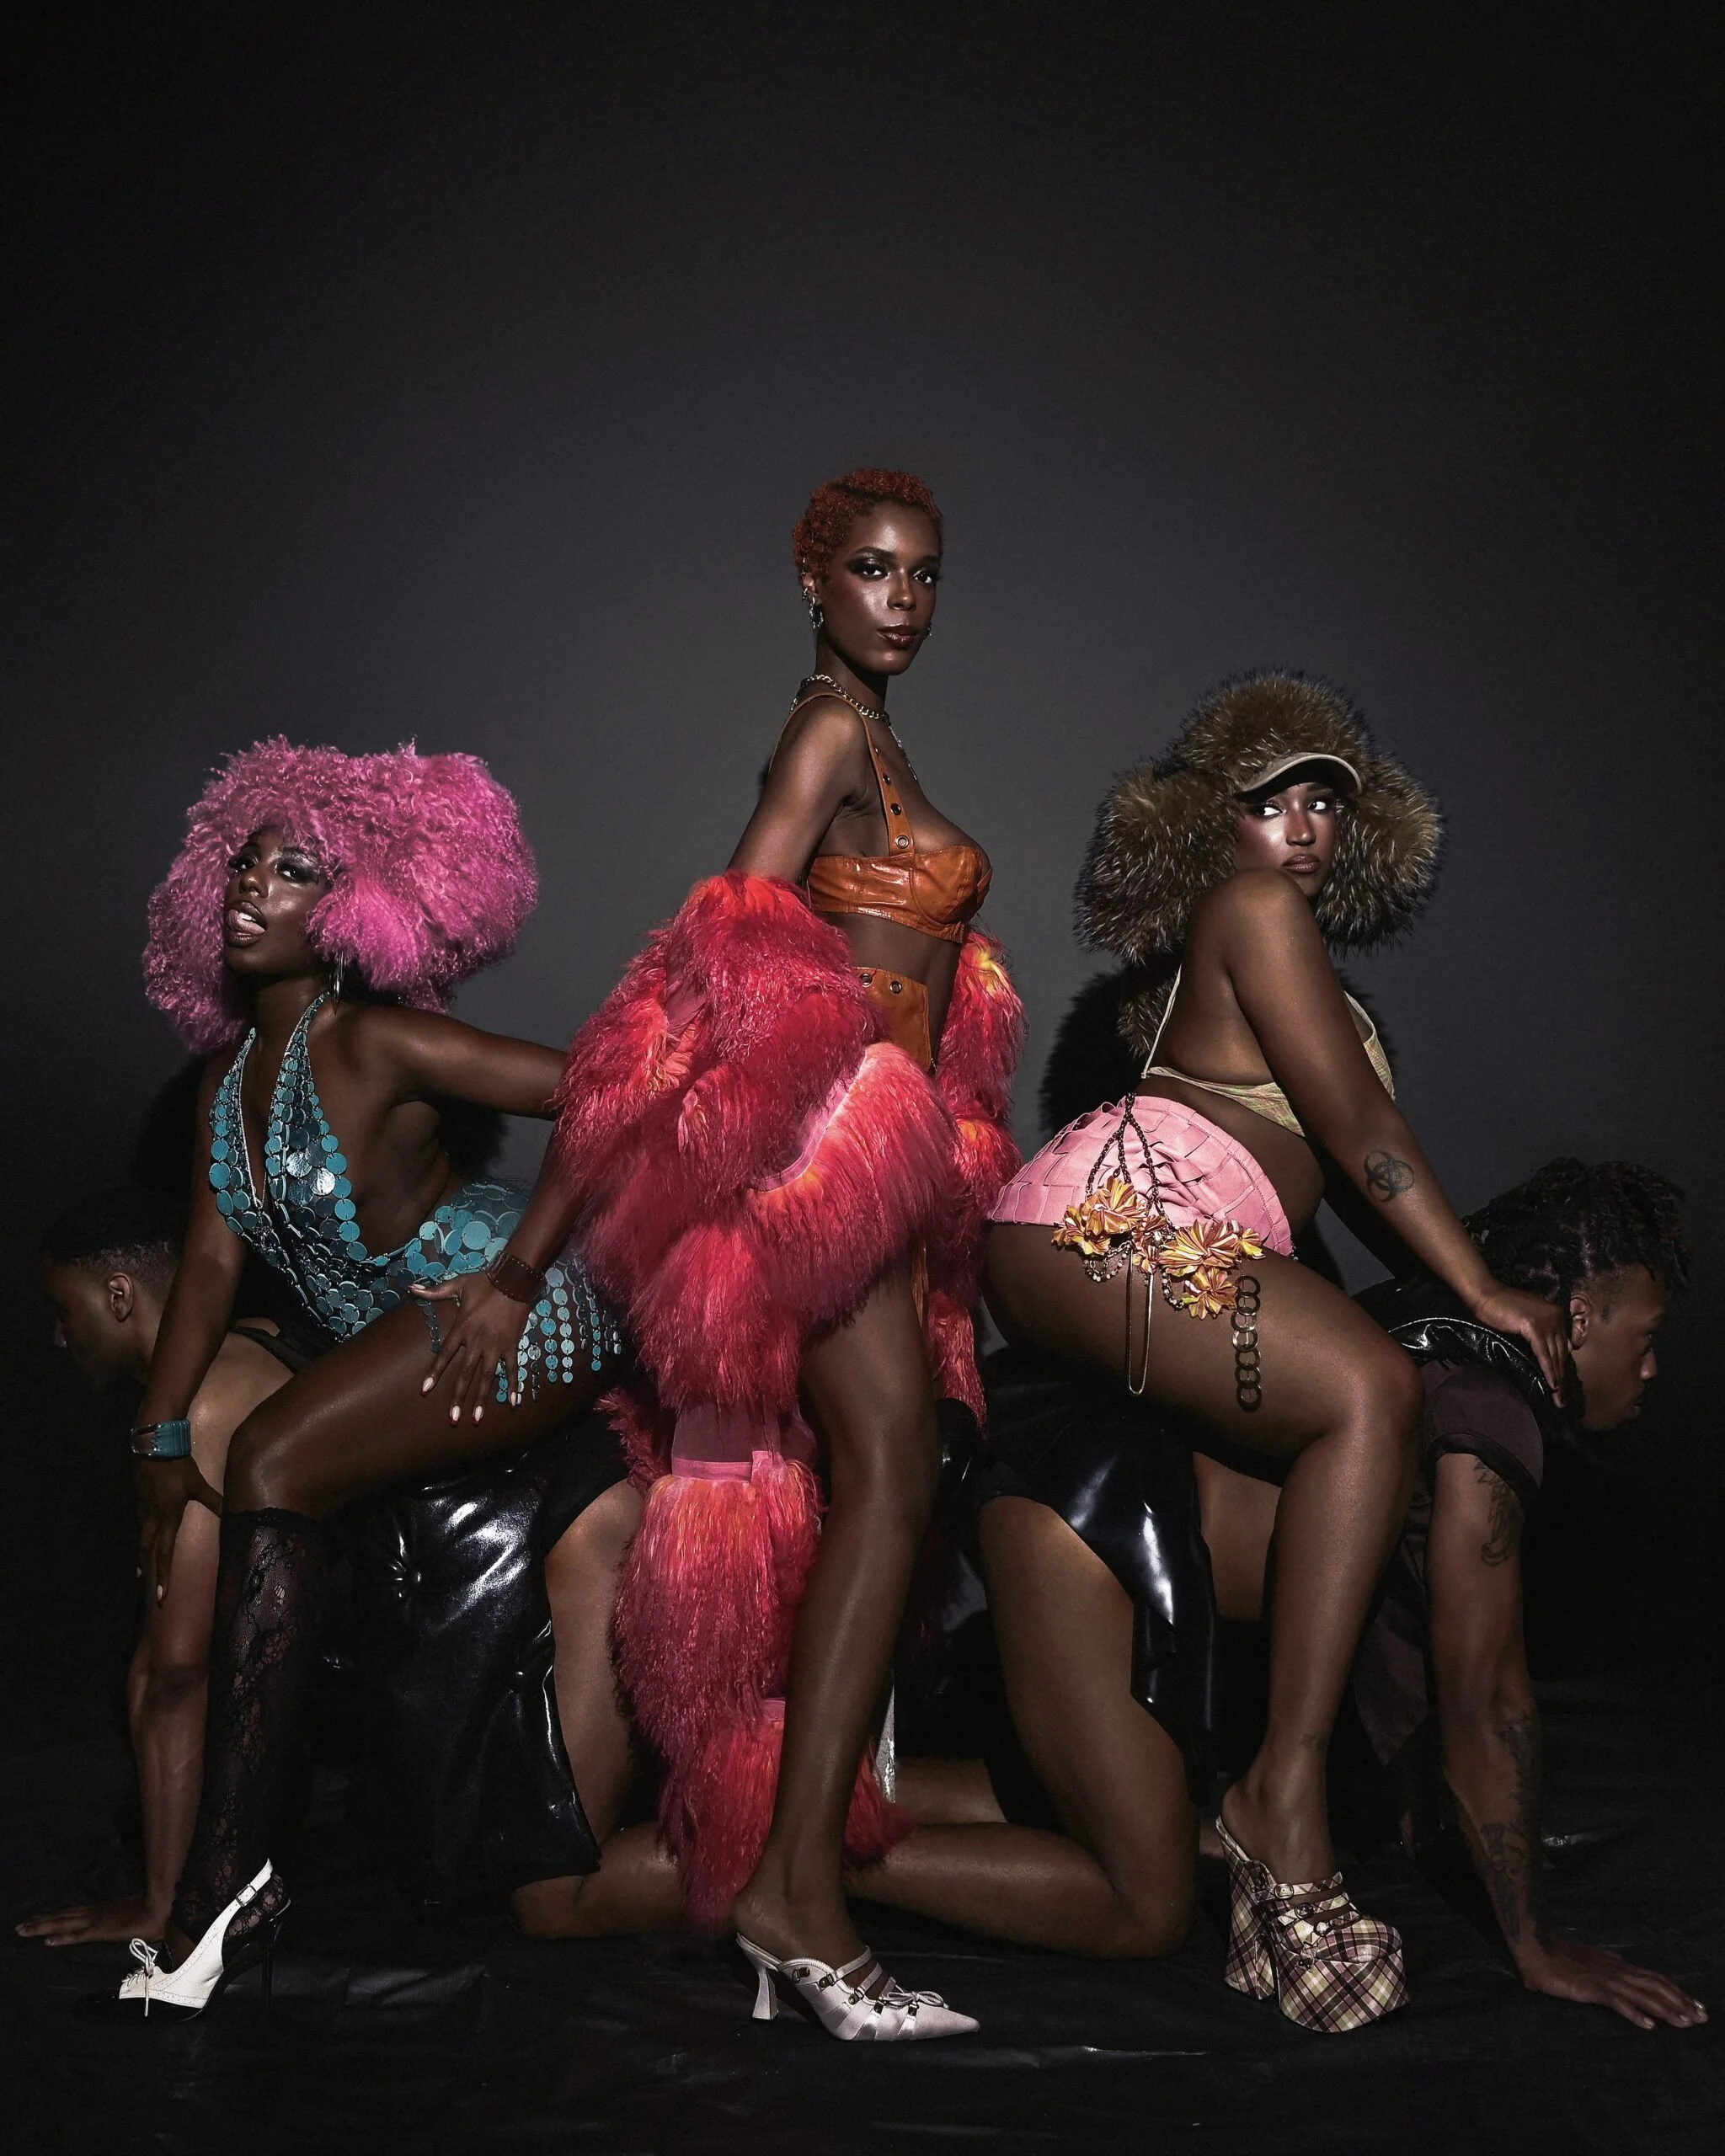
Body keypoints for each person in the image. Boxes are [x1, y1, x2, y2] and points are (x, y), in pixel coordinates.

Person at [442, 471, 1022, 2038]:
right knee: (890, 1477)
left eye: (925, 575)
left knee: (880, 1488)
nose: (904, 600)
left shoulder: (875, 739)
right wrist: (523, 1265)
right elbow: (694, 988)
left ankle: (793, 1885)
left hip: (885, 1162)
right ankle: (794, 1896)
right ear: (813, 582)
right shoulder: (826, 735)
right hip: (825, 1153)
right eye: (873, 570)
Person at [975, 670, 1566, 2031]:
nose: (1301, 829)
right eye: (1270, 802)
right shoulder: (1250, 910)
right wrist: (1483, 1288)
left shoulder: (1299, 970)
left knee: (1344, 1449)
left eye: (1323, 806)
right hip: (1113, 1219)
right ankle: (1277, 1793)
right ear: (1216, 824)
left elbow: (1341, 1176)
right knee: (1366, 1389)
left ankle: (964, 1786)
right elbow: (1361, 1134)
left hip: (1147, 1236)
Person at [108, 739, 648, 2020]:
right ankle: (232, 1885)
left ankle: (228, 1886)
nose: (253, 888)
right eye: (245, 865)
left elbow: (610, 1091)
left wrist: (516, 1277)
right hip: (398, 1330)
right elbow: (205, 1270)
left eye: (293, 871)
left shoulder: (374, 1040)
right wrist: (157, 1438)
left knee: (273, 1455)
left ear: (354, 912)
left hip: (510, 1312)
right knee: (251, 1454)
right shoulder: (228, 1087)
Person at [1338, 1160, 1704, 2029]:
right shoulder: (1487, 1409)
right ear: (1577, 1318)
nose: (1651, 1368)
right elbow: (1485, 1693)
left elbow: (1393, 1616)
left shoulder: (1438, 1354)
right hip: (1124, 1580)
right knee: (1143, 1899)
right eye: (1645, 1338)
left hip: (1147, 1585)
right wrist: (1537, 1948)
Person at [19, 1188, 301, 1948]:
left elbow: (177, 1674)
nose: (58, 1336)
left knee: (164, 1670)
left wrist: (161, 1907)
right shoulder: (243, 1345)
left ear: (119, 1296)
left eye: (64, 1310)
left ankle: (179, 1907)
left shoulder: (200, 1406)